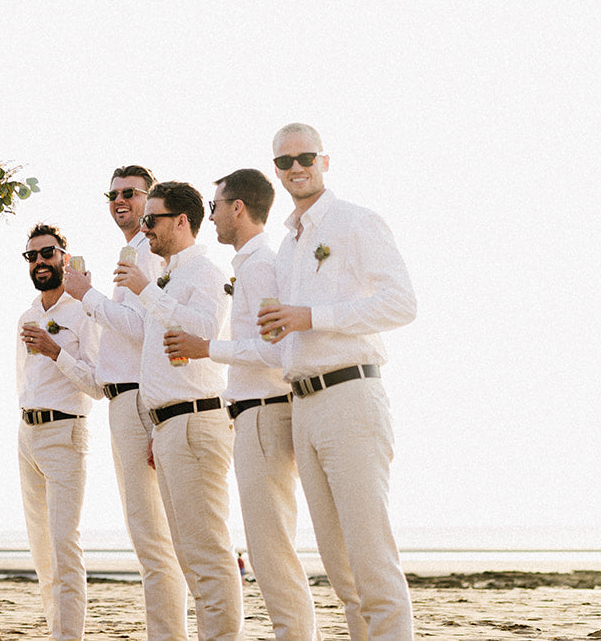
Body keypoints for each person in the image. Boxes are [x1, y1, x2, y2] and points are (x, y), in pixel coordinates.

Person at [258, 124, 416, 641]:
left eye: (305, 156)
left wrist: (313, 316)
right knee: (338, 563)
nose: (296, 167)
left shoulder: (357, 223)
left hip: (351, 396)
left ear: (325, 161)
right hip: (302, 405)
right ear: (276, 171)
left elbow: (401, 304)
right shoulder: (286, 247)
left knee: (370, 553)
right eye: (285, 161)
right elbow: (284, 338)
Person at [166, 169, 319, 641]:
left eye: (214, 207)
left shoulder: (260, 266)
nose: (209, 217)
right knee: (267, 545)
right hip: (251, 413)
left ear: (237, 208)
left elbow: (276, 350)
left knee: (271, 547)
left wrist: (206, 346)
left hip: (266, 410)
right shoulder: (250, 266)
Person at [116, 181, 240, 641]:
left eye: (152, 219)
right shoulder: (170, 276)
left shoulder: (204, 271)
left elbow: (207, 330)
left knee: (207, 552)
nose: (144, 227)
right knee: (187, 555)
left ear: (181, 221)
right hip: (169, 426)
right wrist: (155, 426)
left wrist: (147, 292)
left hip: (196, 420)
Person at [78, 165, 187, 641]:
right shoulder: (133, 250)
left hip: (140, 399)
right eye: (113, 194)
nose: (119, 200)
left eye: (130, 193)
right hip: (122, 399)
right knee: (148, 533)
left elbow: (146, 328)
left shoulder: (151, 255)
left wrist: (88, 297)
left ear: (151, 199)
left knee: (152, 534)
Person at [15, 223, 103, 641]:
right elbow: (23, 380)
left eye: (46, 253)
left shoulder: (83, 312)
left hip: (66, 432)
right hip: (27, 435)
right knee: (42, 550)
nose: (39, 262)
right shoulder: (28, 315)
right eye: (31, 256)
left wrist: (56, 351)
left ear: (64, 258)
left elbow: (99, 385)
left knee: (65, 547)